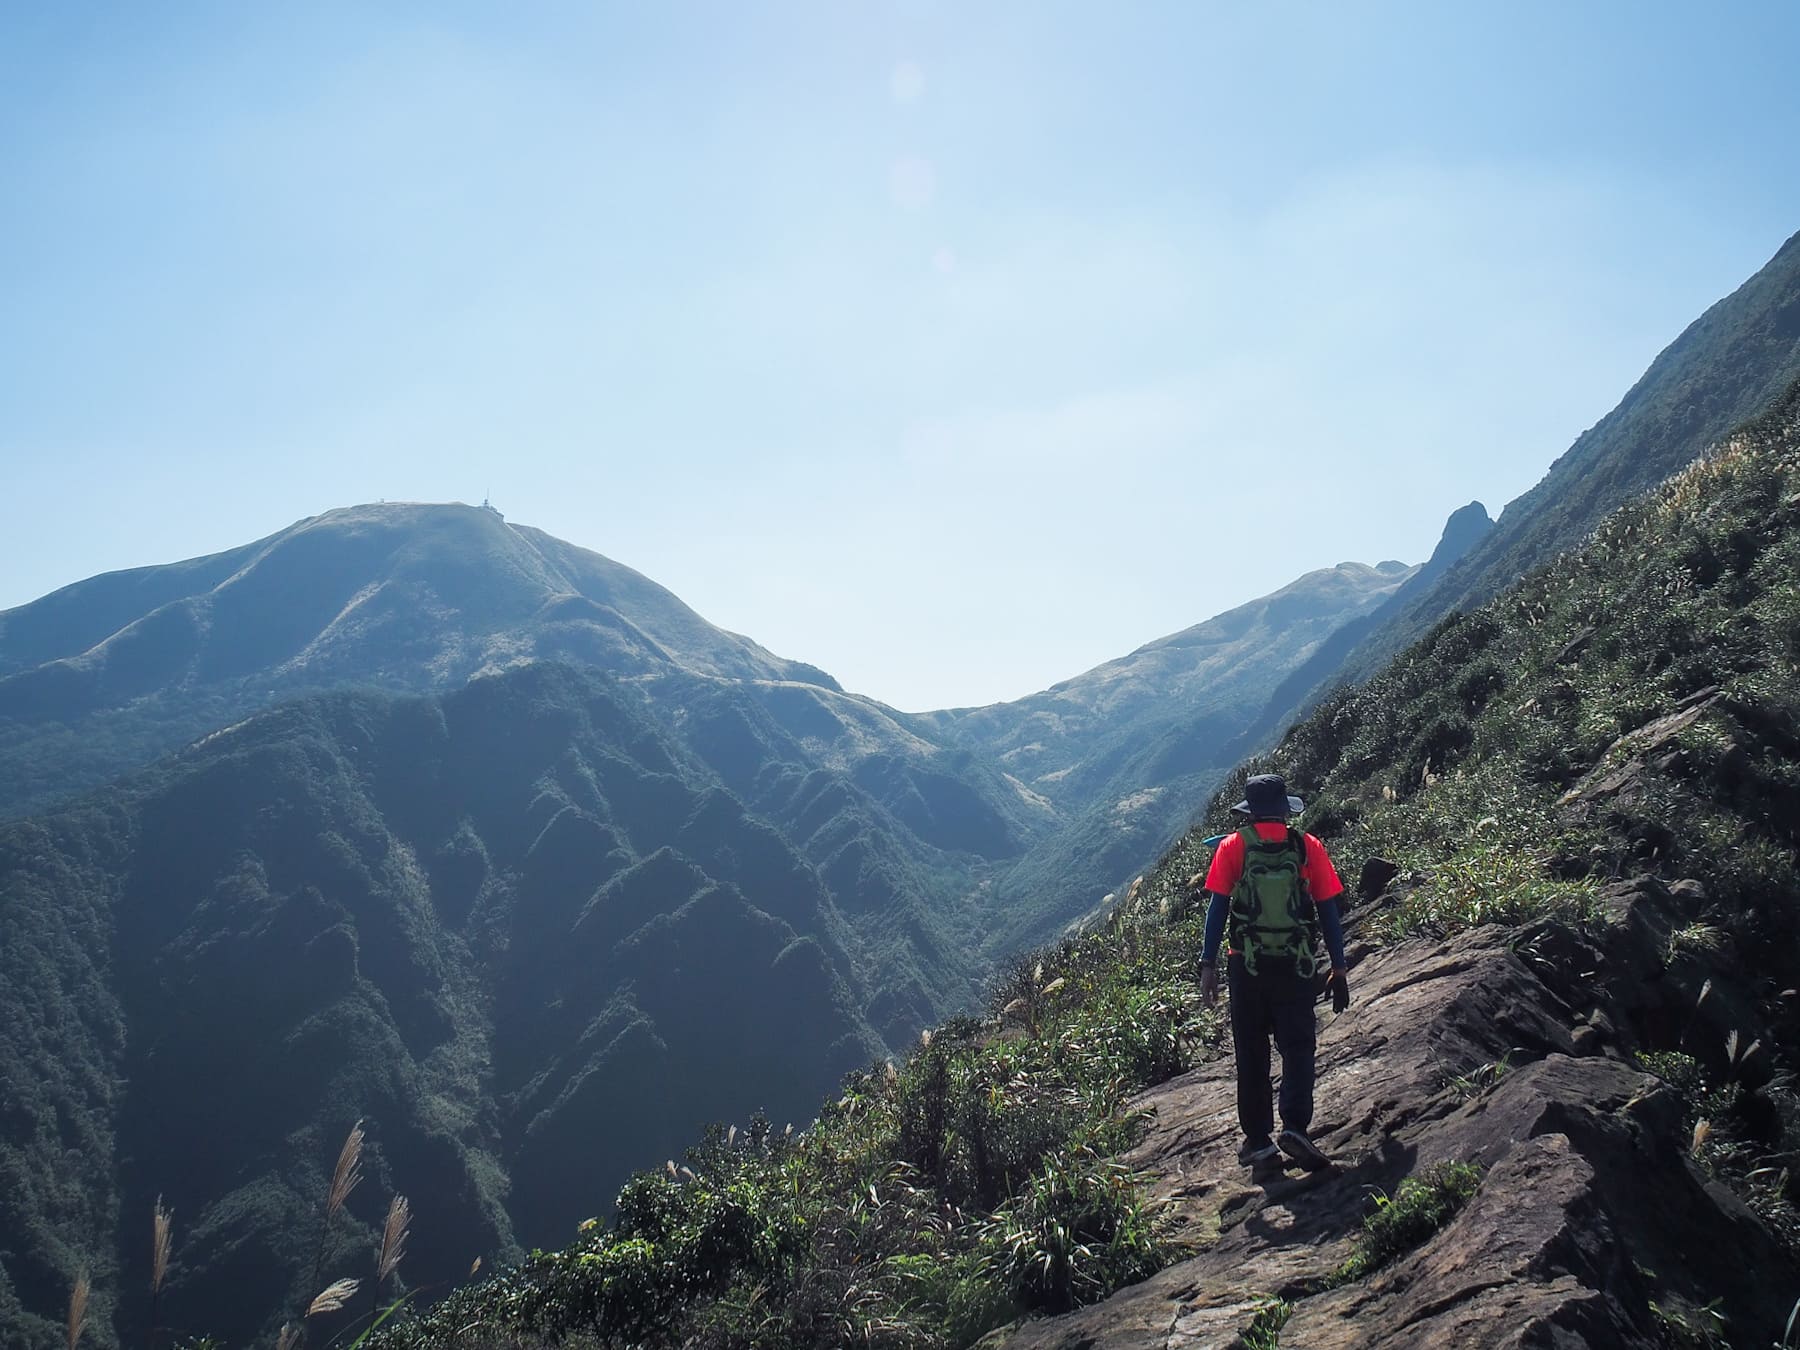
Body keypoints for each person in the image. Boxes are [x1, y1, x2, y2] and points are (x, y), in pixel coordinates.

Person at [1196, 773, 1350, 1172]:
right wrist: (1339, 966)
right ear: (1284, 809)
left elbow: (1217, 910)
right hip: (1295, 964)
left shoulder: (1233, 847)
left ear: (1250, 811)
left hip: (1245, 964)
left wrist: (1207, 965)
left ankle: (1259, 1140)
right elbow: (1328, 910)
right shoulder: (1306, 846)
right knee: (1298, 1046)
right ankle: (1295, 1126)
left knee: (1251, 1051)